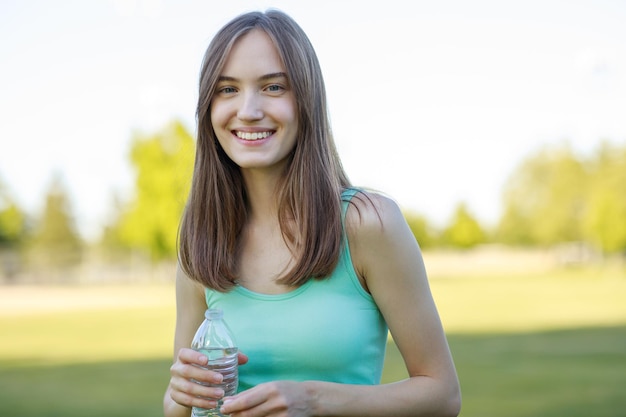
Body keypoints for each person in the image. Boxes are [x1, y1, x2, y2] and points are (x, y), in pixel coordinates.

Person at [164, 9, 461, 417]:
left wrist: (315, 400)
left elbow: (442, 396)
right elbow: (181, 404)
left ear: (306, 98)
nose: (248, 110)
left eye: (272, 87)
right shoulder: (201, 238)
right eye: (227, 89)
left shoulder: (367, 223)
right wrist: (180, 395)